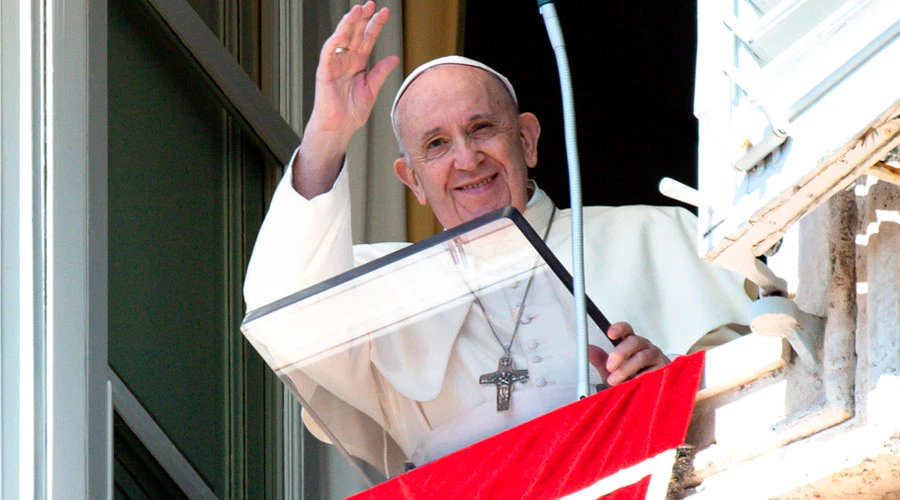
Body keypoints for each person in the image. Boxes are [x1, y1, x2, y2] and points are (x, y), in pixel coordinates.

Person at [243, 2, 751, 476]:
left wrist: (676, 383)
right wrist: (327, 133)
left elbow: (771, 372)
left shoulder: (657, 236)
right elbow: (283, 316)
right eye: (436, 144)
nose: (467, 159)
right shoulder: (383, 288)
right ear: (412, 180)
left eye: (482, 128)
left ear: (526, 139)